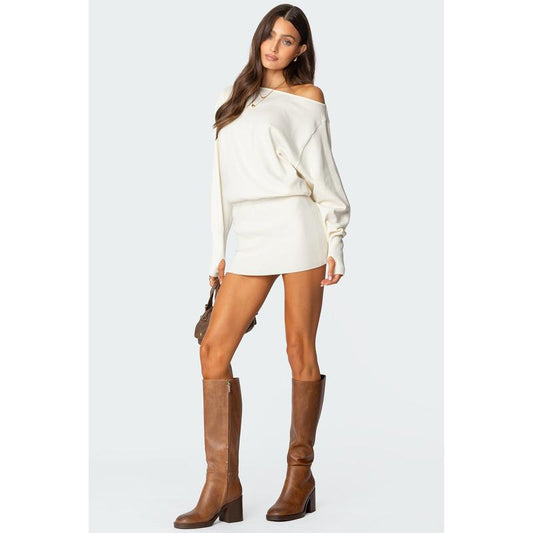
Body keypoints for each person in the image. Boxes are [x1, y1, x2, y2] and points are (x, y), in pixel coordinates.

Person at [174, 4, 351, 529]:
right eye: (269, 36)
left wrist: (337, 238)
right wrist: (218, 249)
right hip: (250, 234)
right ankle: (221, 484)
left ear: (301, 49)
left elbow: (323, 173)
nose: (274, 47)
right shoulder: (233, 99)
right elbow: (219, 182)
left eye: (287, 40)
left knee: (299, 349)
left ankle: (300, 477)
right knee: (213, 350)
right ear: (258, 40)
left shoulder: (307, 98)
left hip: (297, 225)